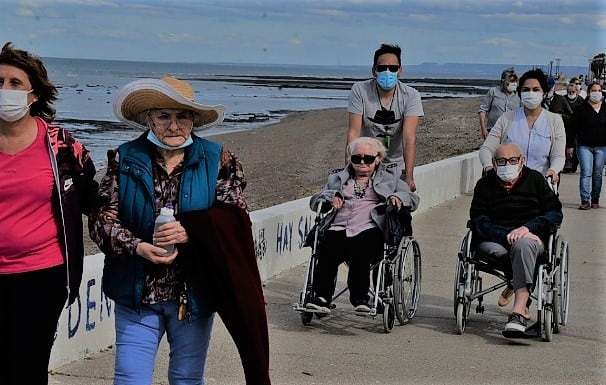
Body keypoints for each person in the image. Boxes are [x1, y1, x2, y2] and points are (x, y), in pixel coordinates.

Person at [89, 76, 270, 385]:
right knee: (129, 378)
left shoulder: (218, 159)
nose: (173, 125)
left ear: (194, 120)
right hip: (136, 291)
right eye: (163, 116)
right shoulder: (124, 157)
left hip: (193, 294)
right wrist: (137, 246)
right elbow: (102, 220)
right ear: (149, 119)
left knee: (187, 379)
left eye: (182, 116)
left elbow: (235, 218)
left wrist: (191, 231)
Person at [0, 42, 98, 385]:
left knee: (27, 367)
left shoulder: (63, 145)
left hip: (42, 275)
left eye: (15, 83)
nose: (5, 90)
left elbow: (94, 200)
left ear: (35, 94)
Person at [305, 137, 419, 313]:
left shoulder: (390, 178)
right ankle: (321, 297)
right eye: (357, 158)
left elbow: (412, 198)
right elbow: (315, 201)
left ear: (378, 158)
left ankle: (360, 297)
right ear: (350, 159)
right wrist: (331, 196)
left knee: (363, 247)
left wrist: (398, 198)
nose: (362, 162)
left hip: (369, 227)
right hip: (339, 227)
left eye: (368, 158)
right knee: (327, 247)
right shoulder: (337, 178)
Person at [469, 143, 563, 338]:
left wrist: (527, 229)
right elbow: (478, 220)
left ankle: (518, 311)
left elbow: (555, 213)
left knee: (523, 245)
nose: (507, 165)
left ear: (522, 161)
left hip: (530, 239)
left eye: (513, 160)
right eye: (502, 161)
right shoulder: (485, 185)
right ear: (494, 164)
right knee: (511, 247)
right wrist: (507, 234)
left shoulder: (535, 180)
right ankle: (520, 293)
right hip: (496, 240)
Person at [347, 43, 424, 192]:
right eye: (382, 68)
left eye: (393, 68)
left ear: (400, 71)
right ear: (374, 71)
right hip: (367, 163)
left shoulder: (411, 95)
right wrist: (348, 171)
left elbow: (409, 137)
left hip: (396, 166)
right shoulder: (360, 90)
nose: (387, 72)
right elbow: (353, 133)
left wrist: (409, 176)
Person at [479, 68, 566, 185]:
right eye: (526, 90)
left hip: (540, 185)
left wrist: (553, 170)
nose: (531, 93)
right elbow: (486, 148)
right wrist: (488, 167)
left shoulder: (554, 121)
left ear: (544, 93)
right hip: (509, 186)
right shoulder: (507, 118)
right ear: (520, 93)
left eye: (536, 90)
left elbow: (559, 155)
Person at [568, 82, 606, 210]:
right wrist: (570, 145)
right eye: (594, 90)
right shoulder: (580, 109)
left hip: (602, 146)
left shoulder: (605, 108)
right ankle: (585, 200)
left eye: (599, 90)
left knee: (598, 174)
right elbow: (572, 128)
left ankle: (595, 198)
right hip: (584, 146)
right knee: (586, 172)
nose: (597, 92)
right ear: (589, 92)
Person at [478, 67, 521, 140]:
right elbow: (482, 110)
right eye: (510, 81)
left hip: (512, 132)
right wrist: (483, 128)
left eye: (515, 81)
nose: (513, 84)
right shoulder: (493, 91)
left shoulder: (519, 96)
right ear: (503, 81)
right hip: (493, 130)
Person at [562, 80, 585, 173]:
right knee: (564, 146)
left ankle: (574, 164)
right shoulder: (563, 99)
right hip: (564, 126)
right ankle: (567, 165)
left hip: (577, 128)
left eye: (573, 92)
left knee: (575, 147)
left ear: (577, 92)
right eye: (569, 92)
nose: (571, 94)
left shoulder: (581, 101)